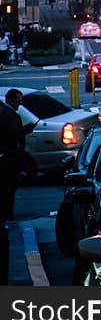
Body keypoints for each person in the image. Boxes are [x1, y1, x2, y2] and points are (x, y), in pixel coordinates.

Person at [0, 89, 36, 225]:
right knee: (8, 192)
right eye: (18, 101)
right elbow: (13, 136)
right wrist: (26, 130)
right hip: (9, 160)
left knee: (7, 192)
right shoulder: (9, 115)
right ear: (11, 100)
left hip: (8, 158)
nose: (20, 104)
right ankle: (7, 219)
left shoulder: (5, 113)